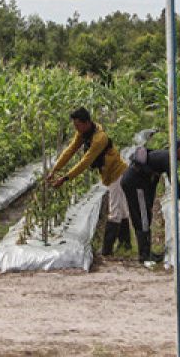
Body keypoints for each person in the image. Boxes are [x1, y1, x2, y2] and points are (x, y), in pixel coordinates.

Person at [47, 107, 131, 256]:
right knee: (122, 210)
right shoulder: (84, 132)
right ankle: (126, 244)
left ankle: (106, 250)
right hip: (110, 174)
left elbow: (85, 162)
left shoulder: (100, 138)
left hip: (117, 174)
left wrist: (65, 178)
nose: (76, 128)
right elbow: (70, 150)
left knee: (114, 212)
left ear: (86, 123)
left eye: (77, 125)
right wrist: (55, 169)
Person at [118, 137, 180, 264]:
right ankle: (145, 255)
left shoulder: (165, 157)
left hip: (138, 184)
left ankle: (147, 253)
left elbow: (153, 180)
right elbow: (176, 187)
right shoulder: (168, 159)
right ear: (179, 150)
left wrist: (150, 202)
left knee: (145, 215)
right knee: (143, 218)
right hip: (135, 184)